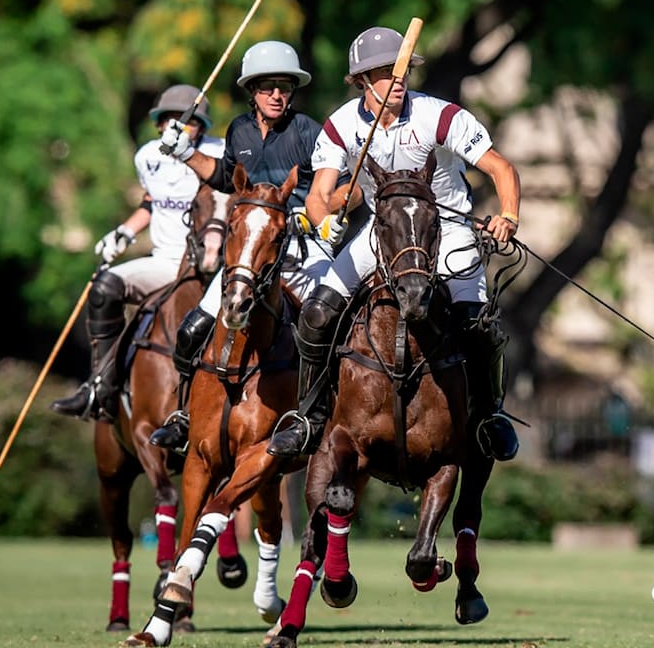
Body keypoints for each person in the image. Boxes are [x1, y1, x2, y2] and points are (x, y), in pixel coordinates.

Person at [265, 25, 522, 463]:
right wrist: (323, 221)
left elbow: (500, 168)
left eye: (401, 71)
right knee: (316, 312)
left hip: (447, 229)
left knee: (478, 325)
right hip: (382, 235)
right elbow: (318, 194)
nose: (398, 80)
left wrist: (509, 215)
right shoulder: (342, 125)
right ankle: (310, 414)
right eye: (385, 73)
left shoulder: (441, 116)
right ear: (362, 82)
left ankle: (487, 416)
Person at [150, 40, 356, 450]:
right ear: (252, 93)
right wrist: (187, 153)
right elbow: (227, 178)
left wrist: (323, 213)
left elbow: (348, 186)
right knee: (192, 330)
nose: (277, 95)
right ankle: (183, 413)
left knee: (322, 324)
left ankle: (318, 415)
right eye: (267, 87)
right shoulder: (239, 130)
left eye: (284, 86)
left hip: (302, 245)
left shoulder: (309, 132)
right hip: (251, 253)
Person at [51, 84, 224, 421]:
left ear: (201, 126)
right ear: (159, 124)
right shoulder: (147, 156)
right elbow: (151, 202)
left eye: (186, 120)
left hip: (207, 268)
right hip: (163, 262)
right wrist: (125, 231)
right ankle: (99, 389)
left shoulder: (219, 153)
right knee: (104, 287)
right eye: (170, 120)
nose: (178, 126)